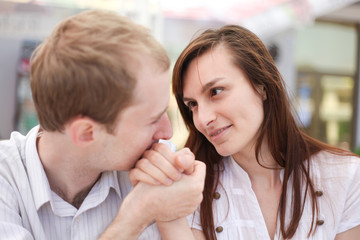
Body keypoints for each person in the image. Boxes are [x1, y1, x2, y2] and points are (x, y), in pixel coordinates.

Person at [133, 25, 360, 239]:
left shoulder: (344, 176)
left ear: (261, 86)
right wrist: (168, 213)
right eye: (192, 104)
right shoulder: (190, 189)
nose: (203, 119)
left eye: (216, 91)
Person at [0, 10, 206, 240]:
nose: (167, 132)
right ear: (87, 133)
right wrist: (137, 215)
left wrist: (172, 216)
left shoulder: (155, 171)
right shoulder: (6, 179)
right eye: (152, 120)